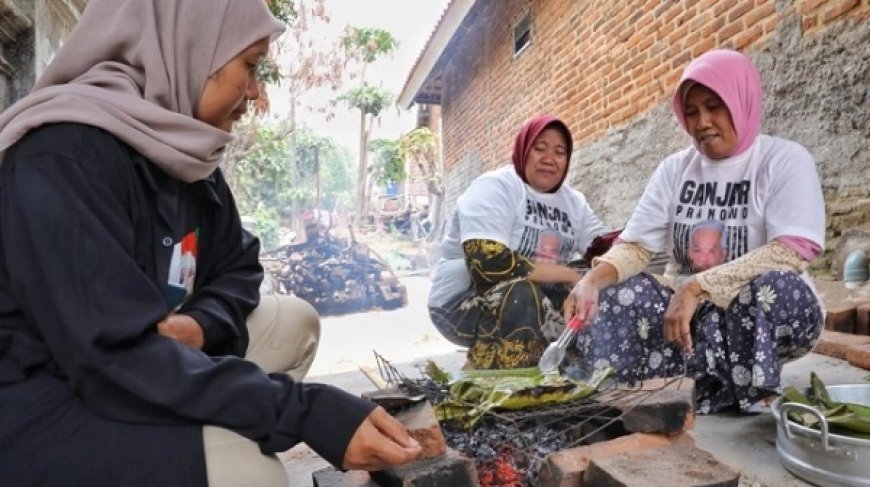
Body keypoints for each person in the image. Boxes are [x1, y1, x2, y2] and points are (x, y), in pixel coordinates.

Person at [0, 1, 420, 486]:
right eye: (250, 65)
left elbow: (239, 267)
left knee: (295, 323)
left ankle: (186, 429)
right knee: (248, 471)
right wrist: (306, 412)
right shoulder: (63, 159)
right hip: (46, 398)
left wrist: (200, 325)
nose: (257, 92)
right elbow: (113, 358)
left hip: (134, 365)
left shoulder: (181, 153)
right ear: (188, 45)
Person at [564, 49, 826, 414]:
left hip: (754, 312)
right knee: (617, 292)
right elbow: (636, 247)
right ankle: (673, 387)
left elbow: (791, 251)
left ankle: (741, 385)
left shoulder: (784, 160)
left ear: (742, 100)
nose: (702, 122)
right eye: (692, 112)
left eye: (715, 106)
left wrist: (697, 286)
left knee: (774, 288)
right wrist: (592, 280)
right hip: (684, 316)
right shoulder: (675, 169)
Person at [428, 115, 611, 369]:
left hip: (538, 294)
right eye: (539, 148)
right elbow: (490, 264)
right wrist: (568, 274)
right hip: (461, 305)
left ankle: (573, 371)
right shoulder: (495, 187)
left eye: (560, 152)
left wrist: (626, 253)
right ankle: (496, 382)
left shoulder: (574, 202)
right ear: (523, 149)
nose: (549, 159)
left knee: (602, 284)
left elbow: (602, 251)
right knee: (521, 294)